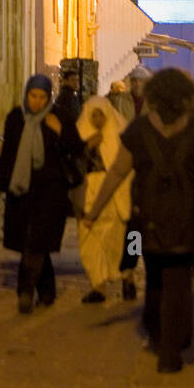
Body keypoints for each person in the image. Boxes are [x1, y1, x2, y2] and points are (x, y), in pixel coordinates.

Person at [83, 68, 194, 373]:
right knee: (180, 280)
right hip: (185, 220)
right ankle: (175, 344)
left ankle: (157, 336)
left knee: (156, 277)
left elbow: (117, 172)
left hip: (149, 218)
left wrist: (94, 211)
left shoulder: (139, 131)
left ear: (153, 97)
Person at [0, 74, 85, 314]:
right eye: (33, 96)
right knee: (31, 242)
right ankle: (48, 291)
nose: (37, 102)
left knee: (36, 241)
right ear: (27, 94)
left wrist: (60, 131)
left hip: (51, 191)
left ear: (49, 96)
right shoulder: (16, 119)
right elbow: (8, 156)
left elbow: (77, 148)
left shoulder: (59, 116)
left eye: (42, 97)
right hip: (22, 189)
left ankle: (25, 291)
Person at [76, 96, 136, 303]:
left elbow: (124, 169)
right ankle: (98, 285)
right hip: (89, 194)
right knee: (91, 240)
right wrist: (87, 147)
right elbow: (73, 163)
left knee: (117, 241)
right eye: (93, 115)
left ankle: (126, 278)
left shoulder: (119, 135)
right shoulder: (81, 134)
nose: (97, 119)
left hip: (114, 195)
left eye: (101, 114)